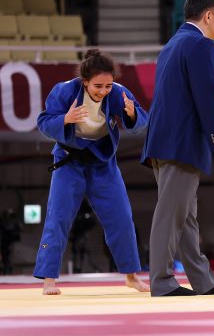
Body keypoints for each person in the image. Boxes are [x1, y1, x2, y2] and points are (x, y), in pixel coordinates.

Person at [34, 49, 150, 295]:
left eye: (107, 86)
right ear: (85, 81)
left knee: (121, 216)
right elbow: (44, 122)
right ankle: (48, 280)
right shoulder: (64, 91)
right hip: (69, 161)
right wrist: (65, 118)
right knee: (59, 217)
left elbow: (142, 120)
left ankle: (131, 276)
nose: (103, 91)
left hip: (102, 161)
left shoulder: (118, 92)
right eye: (98, 86)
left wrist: (131, 115)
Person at [141, 0, 214, 297]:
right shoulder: (199, 43)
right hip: (179, 141)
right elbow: (205, 96)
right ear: (208, 17)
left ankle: (202, 280)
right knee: (171, 213)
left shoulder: (173, 44)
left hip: (164, 139)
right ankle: (162, 281)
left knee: (184, 214)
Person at [0, 209, 21, 275]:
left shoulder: (15, 223)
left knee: (9, 256)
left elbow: (18, 230)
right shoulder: (3, 223)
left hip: (11, 241)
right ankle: (6, 268)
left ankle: (9, 269)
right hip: (5, 242)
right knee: (5, 256)